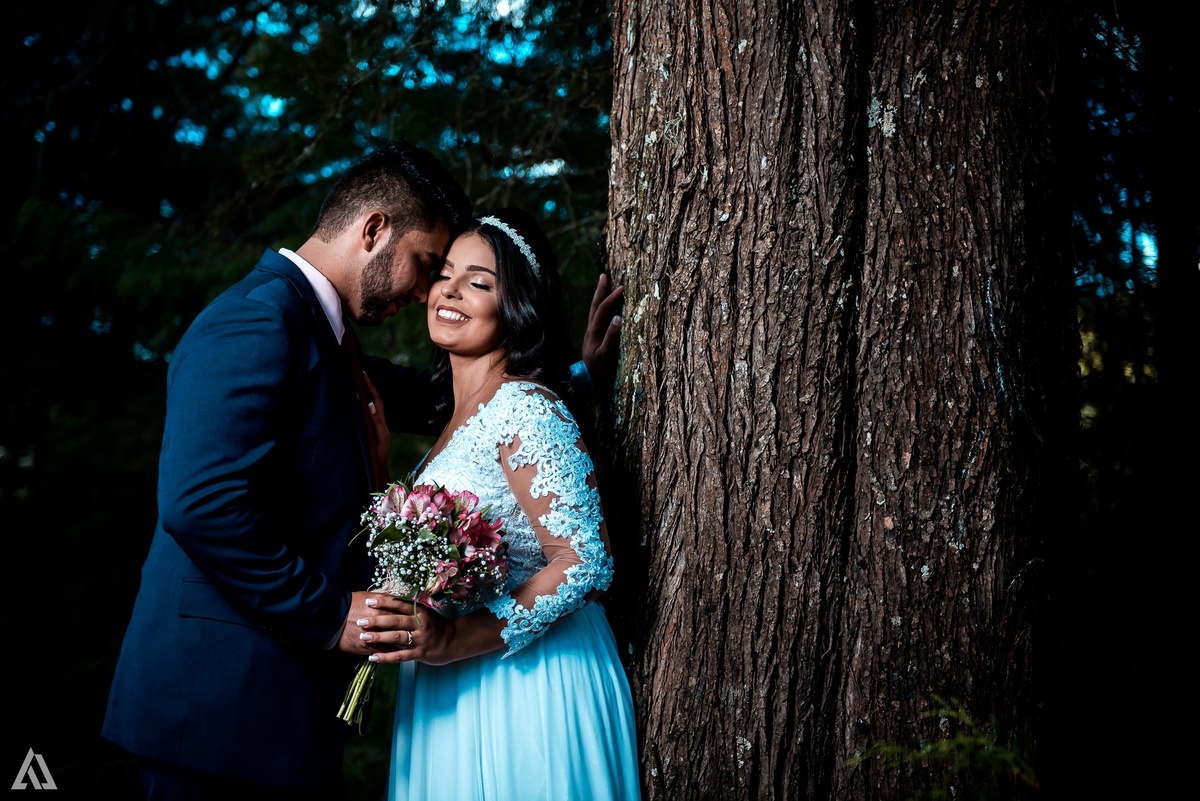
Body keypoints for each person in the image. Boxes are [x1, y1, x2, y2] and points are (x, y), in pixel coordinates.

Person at [102, 141, 623, 799]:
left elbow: (475, 401)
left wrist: (579, 376)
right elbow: (201, 503)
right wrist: (331, 614)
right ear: (374, 229)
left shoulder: (330, 340)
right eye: (429, 265)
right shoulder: (256, 320)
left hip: (283, 720)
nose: (429, 289)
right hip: (216, 712)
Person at [361, 208, 641, 800]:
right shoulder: (455, 419)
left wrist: (455, 640)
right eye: (444, 272)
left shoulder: (526, 407)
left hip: (526, 685)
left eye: (480, 281)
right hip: (449, 692)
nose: (452, 290)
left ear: (517, 306)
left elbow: (586, 561)